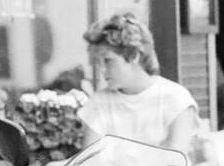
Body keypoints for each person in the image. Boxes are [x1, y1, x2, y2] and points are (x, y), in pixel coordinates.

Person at [78, 12, 198, 153]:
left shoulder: (176, 98)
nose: (102, 70)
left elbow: (175, 161)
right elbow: (89, 162)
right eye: (98, 63)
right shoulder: (99, 102)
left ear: (134, 55)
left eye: (108, 61)